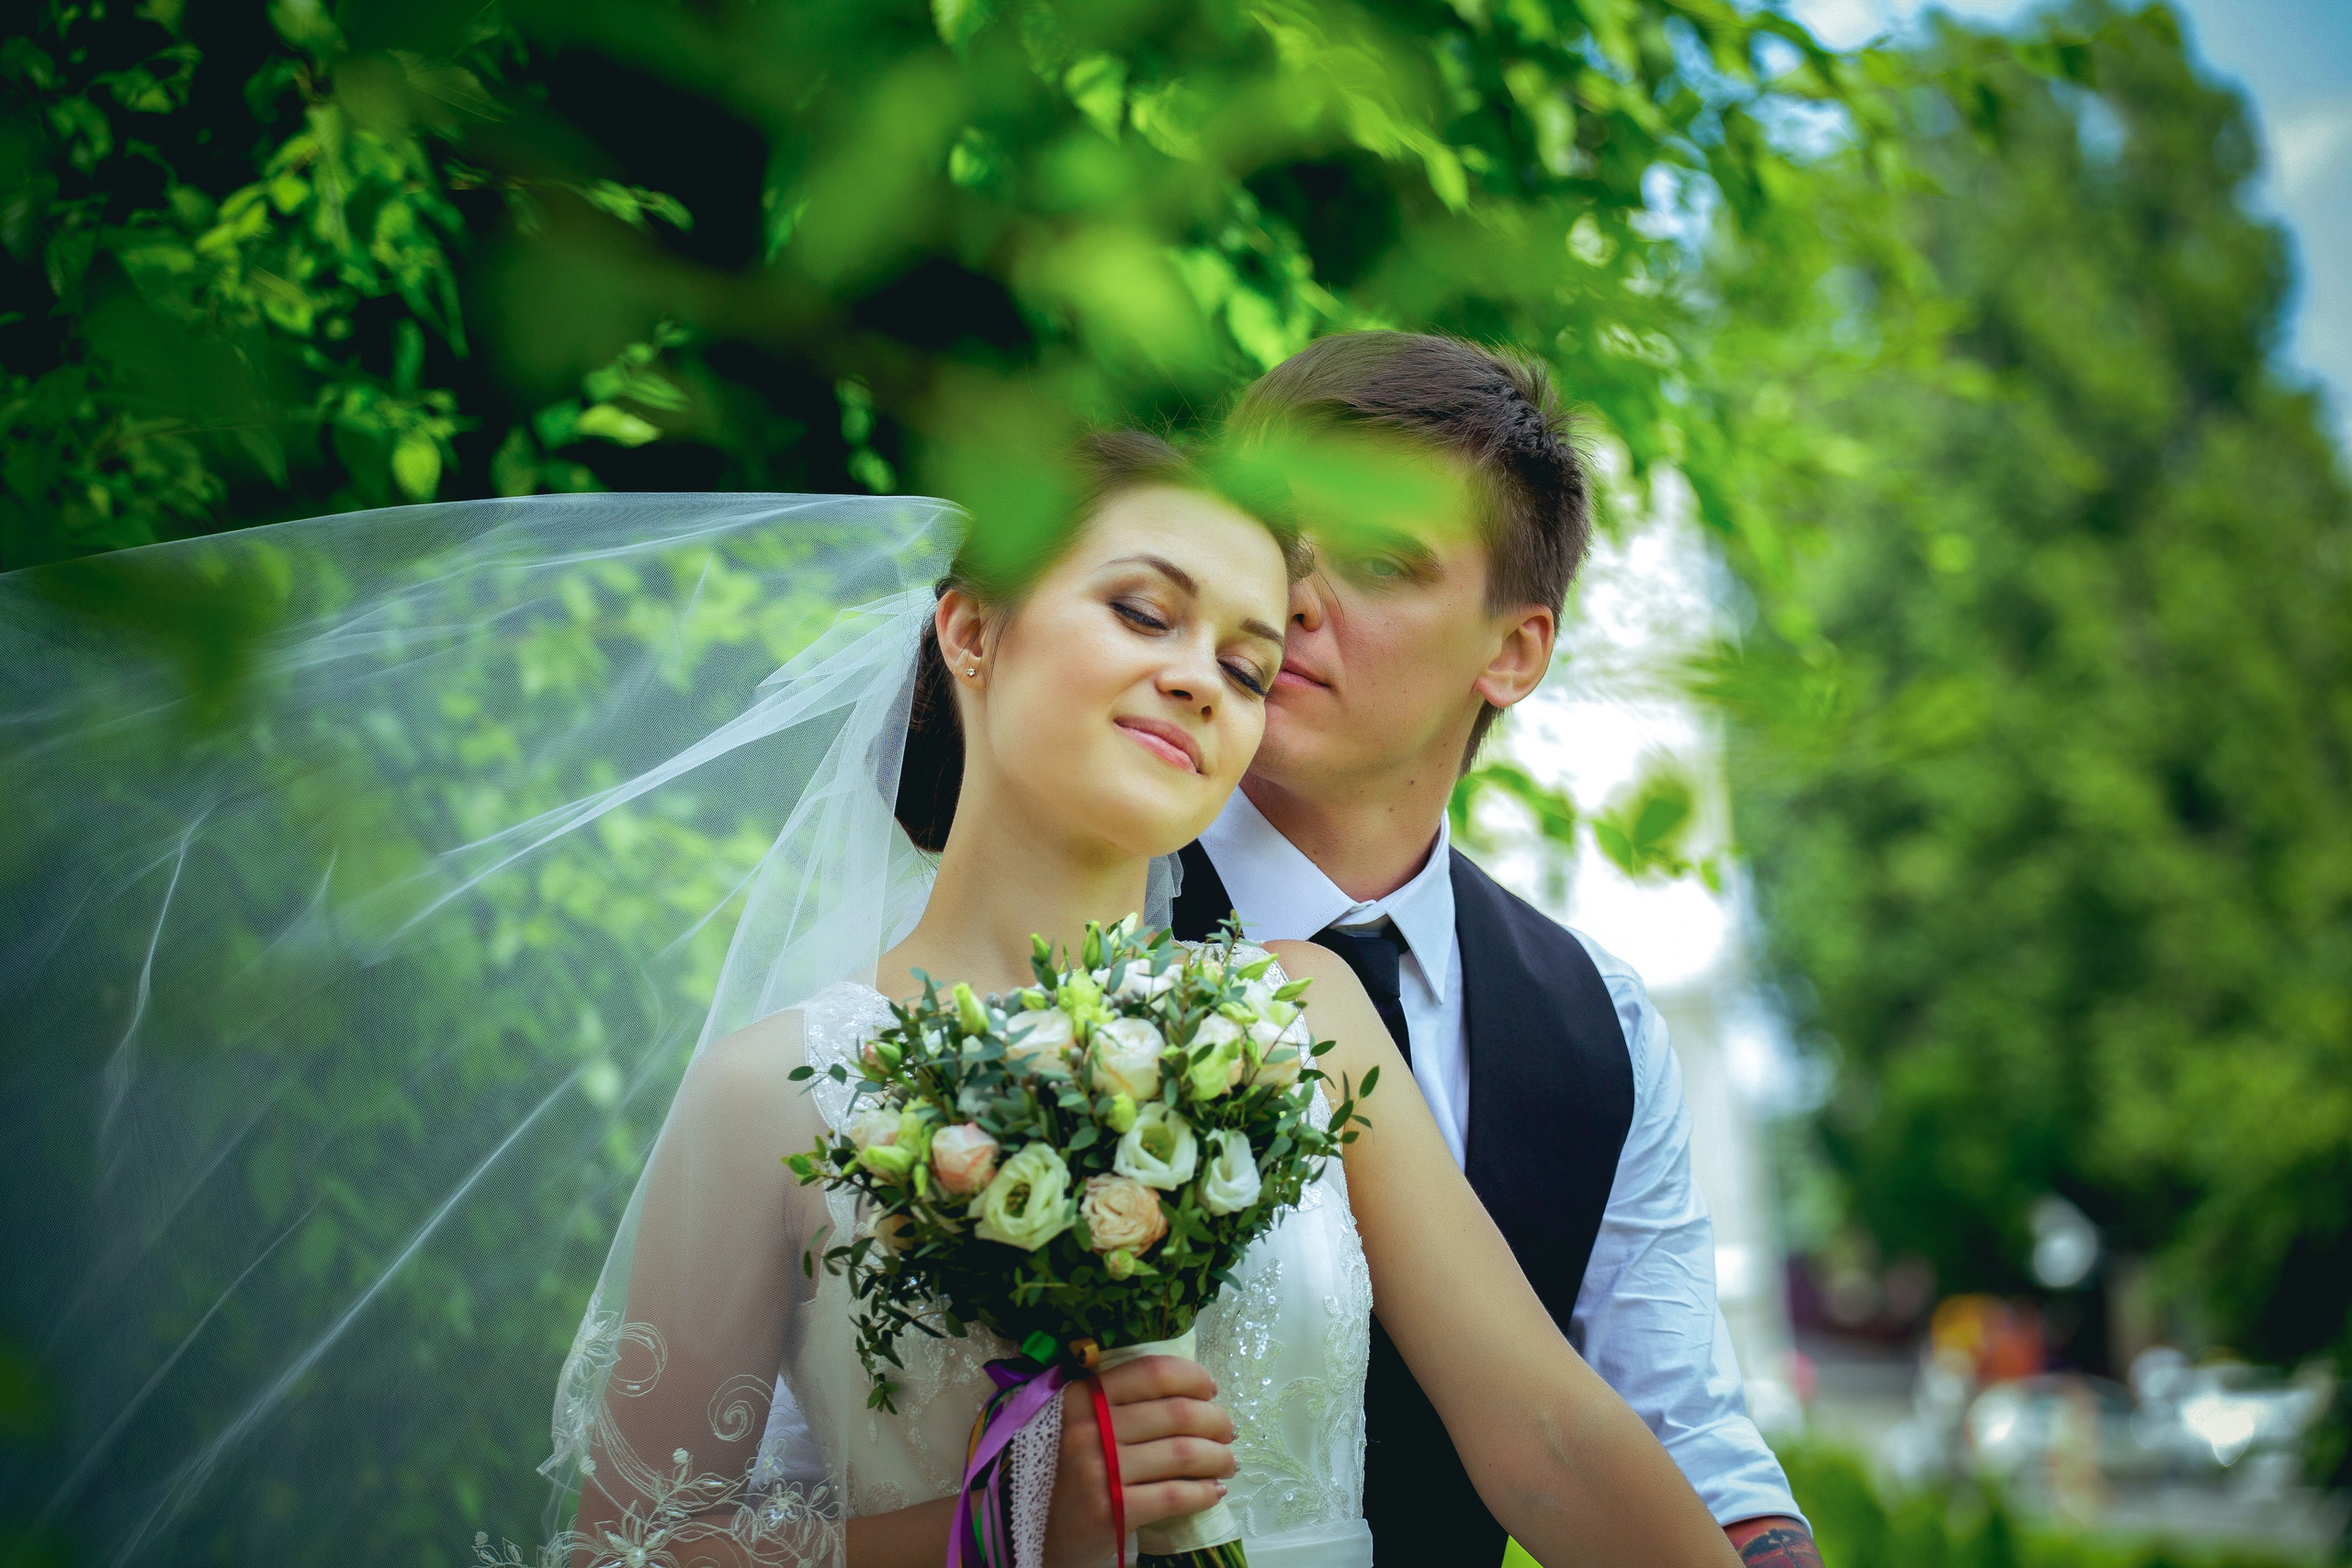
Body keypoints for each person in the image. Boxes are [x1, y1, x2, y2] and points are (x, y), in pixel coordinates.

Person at [567, 432, 1741, 1567]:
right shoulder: (775, 1095)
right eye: (1142, 612)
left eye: (1247, 669)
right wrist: (990, 1531)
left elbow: (1545, 1436)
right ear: (974, 630)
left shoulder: (1303, 1019)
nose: (1197, 681)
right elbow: (618, 1556)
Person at [1167, 333, 1822, 1568]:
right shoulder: (1066, 931)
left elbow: (1678, 1427)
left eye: (1378, 563)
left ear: (1513, 651)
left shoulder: (1602, 1026)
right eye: (1275, 539)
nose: (1296, 597)